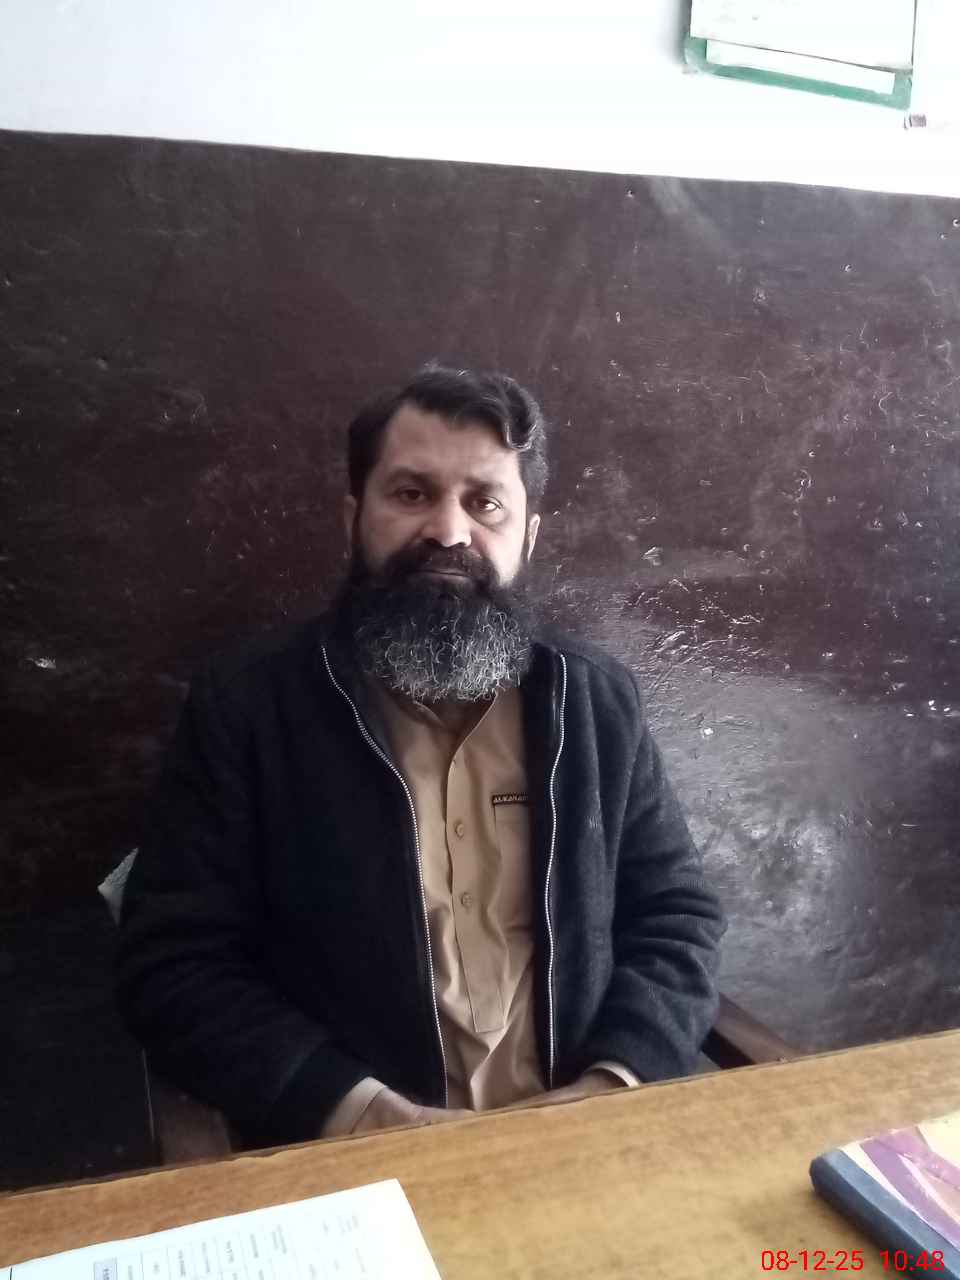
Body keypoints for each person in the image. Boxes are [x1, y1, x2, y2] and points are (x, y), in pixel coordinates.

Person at [117, 362, 726, 1147]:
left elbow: (676, 917)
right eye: (411, 494)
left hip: (583, 1140)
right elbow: (173, 964)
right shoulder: (248, 707)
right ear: (353, 517)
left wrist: (613, 1083)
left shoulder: (595, 703)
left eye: (485, 502)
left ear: (529, 535)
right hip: (353, 1154)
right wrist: (357, 1110)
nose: (448, 532)